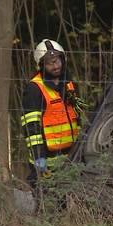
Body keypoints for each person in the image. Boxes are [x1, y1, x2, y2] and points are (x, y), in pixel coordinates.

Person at [21, 39, 81, 202]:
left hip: (70, 156)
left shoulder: (69, 84)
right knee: (47, 204)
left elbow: (79, 116)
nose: (56, 66)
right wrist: (39, 159)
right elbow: (31, 130)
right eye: (50, 63)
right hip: (46, 159)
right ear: (41, 65)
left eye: (58, 60)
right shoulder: (34, 89)